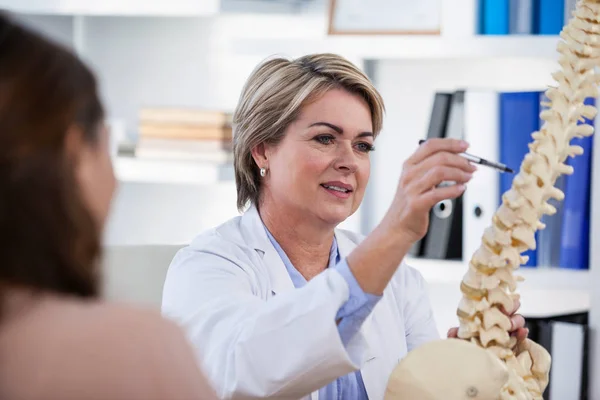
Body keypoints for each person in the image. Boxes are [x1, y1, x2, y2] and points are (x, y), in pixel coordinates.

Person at [161, 53, 527, 399]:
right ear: (262, 150)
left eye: (363, 146)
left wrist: (469, 363)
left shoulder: (398, 280)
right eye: (325, 138)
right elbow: (243, 373)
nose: (349, 161)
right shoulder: (206, 266)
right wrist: (394, 233)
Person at [0, 12, 217, 400]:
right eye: (105, 144)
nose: (115, 179)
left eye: (364, 145)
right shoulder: (131, 350)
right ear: (74, 153)